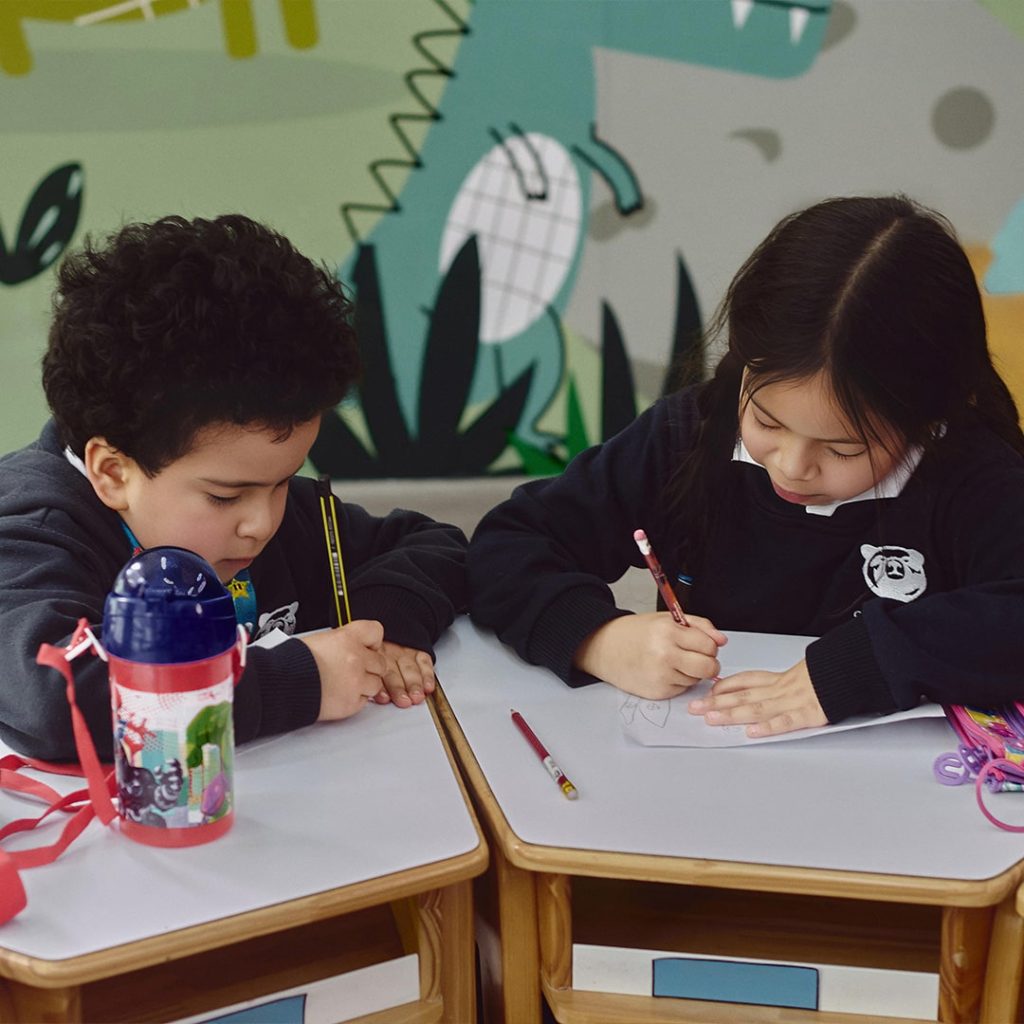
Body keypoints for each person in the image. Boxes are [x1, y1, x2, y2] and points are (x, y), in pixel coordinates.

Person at [469, 195, 1024, 737]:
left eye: (843, 450)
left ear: (927, 417)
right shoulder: (688, 436)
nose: (792, 466)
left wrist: (870, 663)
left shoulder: (972, 474)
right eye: (766, 421)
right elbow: (507, 545)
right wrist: (597, 637)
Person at [0, 213, 467, 761]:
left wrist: (379, 626)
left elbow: (436, 545)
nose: (263, 523)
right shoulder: (33, 533)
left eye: (285, 482)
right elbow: (58, 702)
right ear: (112, 472)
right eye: (225, 497)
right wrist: (301, 681)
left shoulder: (271, 504)